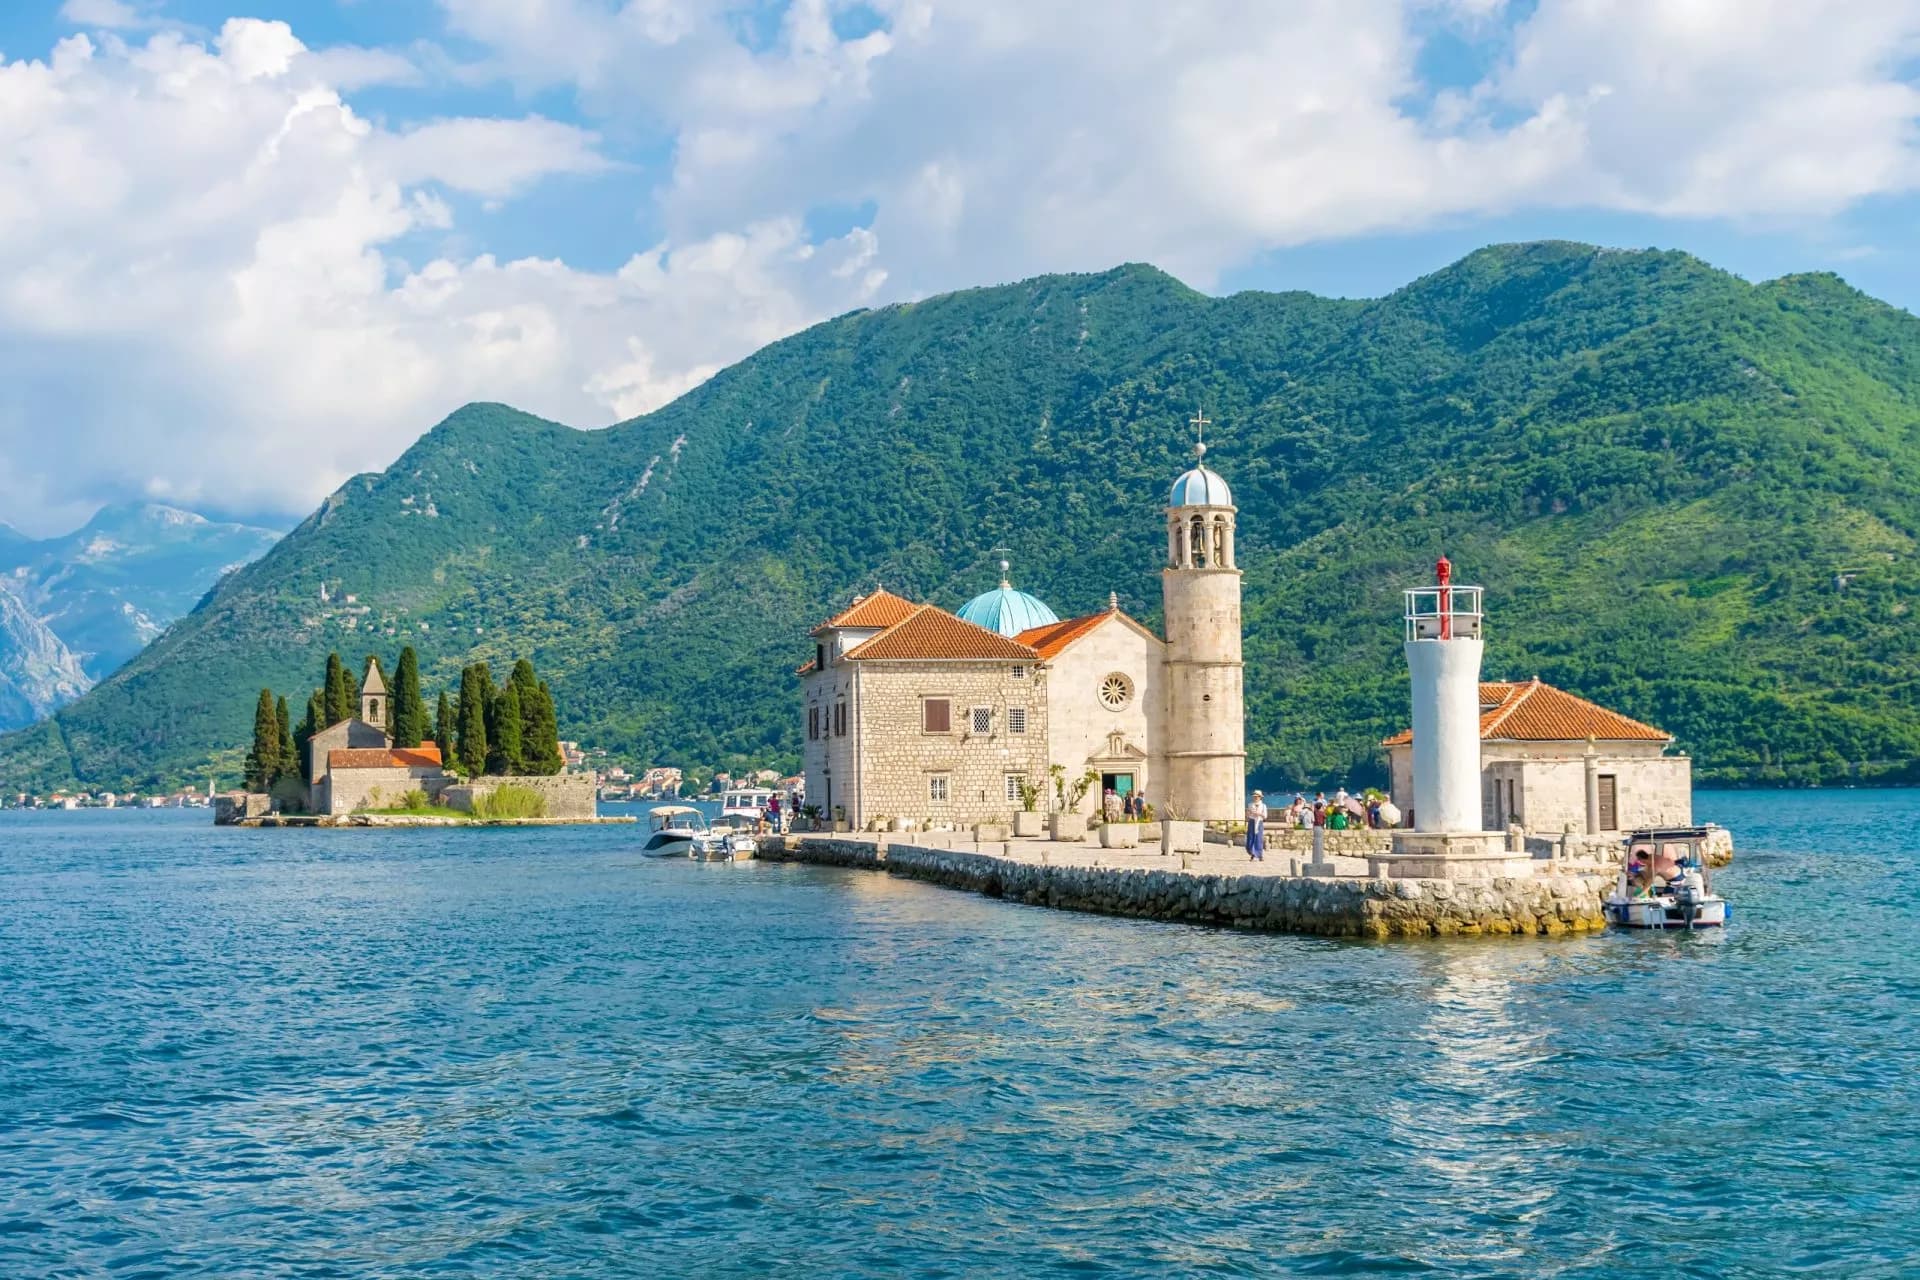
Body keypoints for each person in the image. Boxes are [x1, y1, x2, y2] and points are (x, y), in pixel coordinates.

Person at [1245, 790, 1267, 861]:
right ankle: (1252, 854)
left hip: (1259, 822)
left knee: (1259, 838)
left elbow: (1265, 816)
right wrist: (1249, 813)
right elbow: (1247, 815)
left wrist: (1259, 814)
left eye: (1257, 797)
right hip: (1252, 822)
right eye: (1254, 797)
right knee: (1251, 838)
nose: (1255, 798)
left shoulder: (1263, 806)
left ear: (1260, 797)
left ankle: (1260, 854)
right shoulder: (1250, 804)